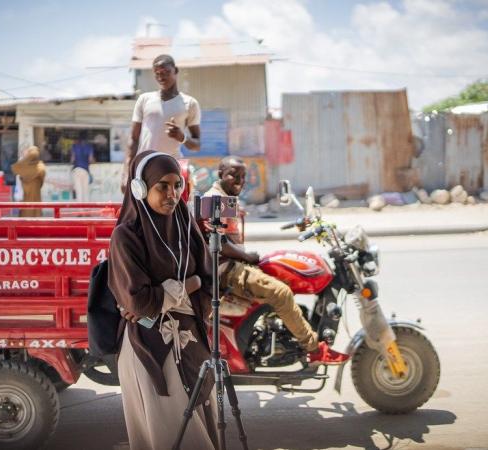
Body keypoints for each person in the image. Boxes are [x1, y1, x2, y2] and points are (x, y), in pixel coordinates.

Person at [108, 151, 217, 449]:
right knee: (170, 434)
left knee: (202, 429)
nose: (172, 194)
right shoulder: (126, 236)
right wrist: (189, 286)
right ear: (140, 188)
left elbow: (212, 284)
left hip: (191, 343)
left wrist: (167, 294)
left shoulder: (186, 225)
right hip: (149, 349)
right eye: (162, 186)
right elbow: (140, 304)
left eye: (176, 185)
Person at [204, 156, 349, 364]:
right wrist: (247, 256)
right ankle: (314, 349)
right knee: (281, 293)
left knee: (276, 270)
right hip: (225, 269)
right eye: (233, 175)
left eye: (243, 176)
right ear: (220, 175)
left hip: (231, 264)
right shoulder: (215, 199)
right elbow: (216, 240)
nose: (240, 181)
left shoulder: (225, 197)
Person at [122, 54, 201, 193]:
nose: (161, 77)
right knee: (143, 212)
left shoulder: (189, 103)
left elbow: (197, 145)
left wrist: (182, 137)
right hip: (144, 167)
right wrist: (126, 174)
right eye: (157, 74)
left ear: (175, 70)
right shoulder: (144, 99)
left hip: (171, 169)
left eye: (166, 72)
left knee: (169, 211)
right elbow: (133, 139)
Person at [11, 146, 46, 217]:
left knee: (25, 215)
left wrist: (25, 160)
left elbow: (14, 168)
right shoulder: (41, 167)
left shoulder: (23, 168)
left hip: (25, 198)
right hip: (36, 197)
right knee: (36, 214)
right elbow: (42, 180)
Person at [71, 131, 95, 202]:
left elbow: (72, 159)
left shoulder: (74, 146)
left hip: (77, 170)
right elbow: (90, 160)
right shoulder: (89, 147)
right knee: (86, 192)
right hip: (85, 171)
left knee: (79, 192)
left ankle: (80, 210)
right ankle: (86, 210)